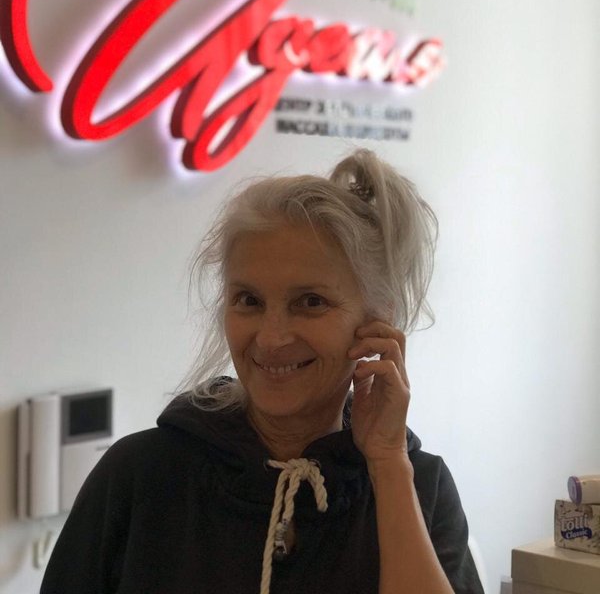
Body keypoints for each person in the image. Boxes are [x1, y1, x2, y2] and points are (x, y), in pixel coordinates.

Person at [41, 148, 484, 594]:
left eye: (310, 302)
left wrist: (388, 464)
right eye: (249, 300)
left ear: (377, 321)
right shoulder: (140, 477)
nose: (271, 339)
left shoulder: (419, 488)